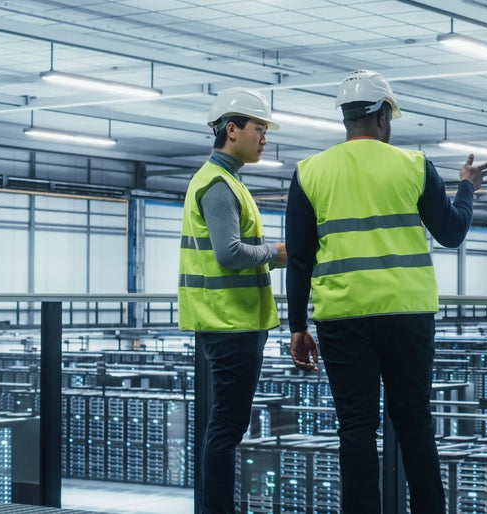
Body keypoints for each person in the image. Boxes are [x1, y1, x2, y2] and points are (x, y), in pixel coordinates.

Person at [285, 69, 487, 513]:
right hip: (407, 315)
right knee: (414, 422)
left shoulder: (309, 172)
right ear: (383, 117)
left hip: (342, 316)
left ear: (345, 119)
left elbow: (301, 259)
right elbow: (452, 233)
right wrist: (467, 189)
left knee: (356, 428)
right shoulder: (414, 166)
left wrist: (298, 327)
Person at [178, 86, 286, 514]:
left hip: (231, 323)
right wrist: (276, 255)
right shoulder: (219, 185)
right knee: (226, 428)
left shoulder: (227, 181)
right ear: (231, 129)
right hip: (229, 324)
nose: (264, 138)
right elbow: (229, 253)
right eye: (259, 129)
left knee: (224, 425)